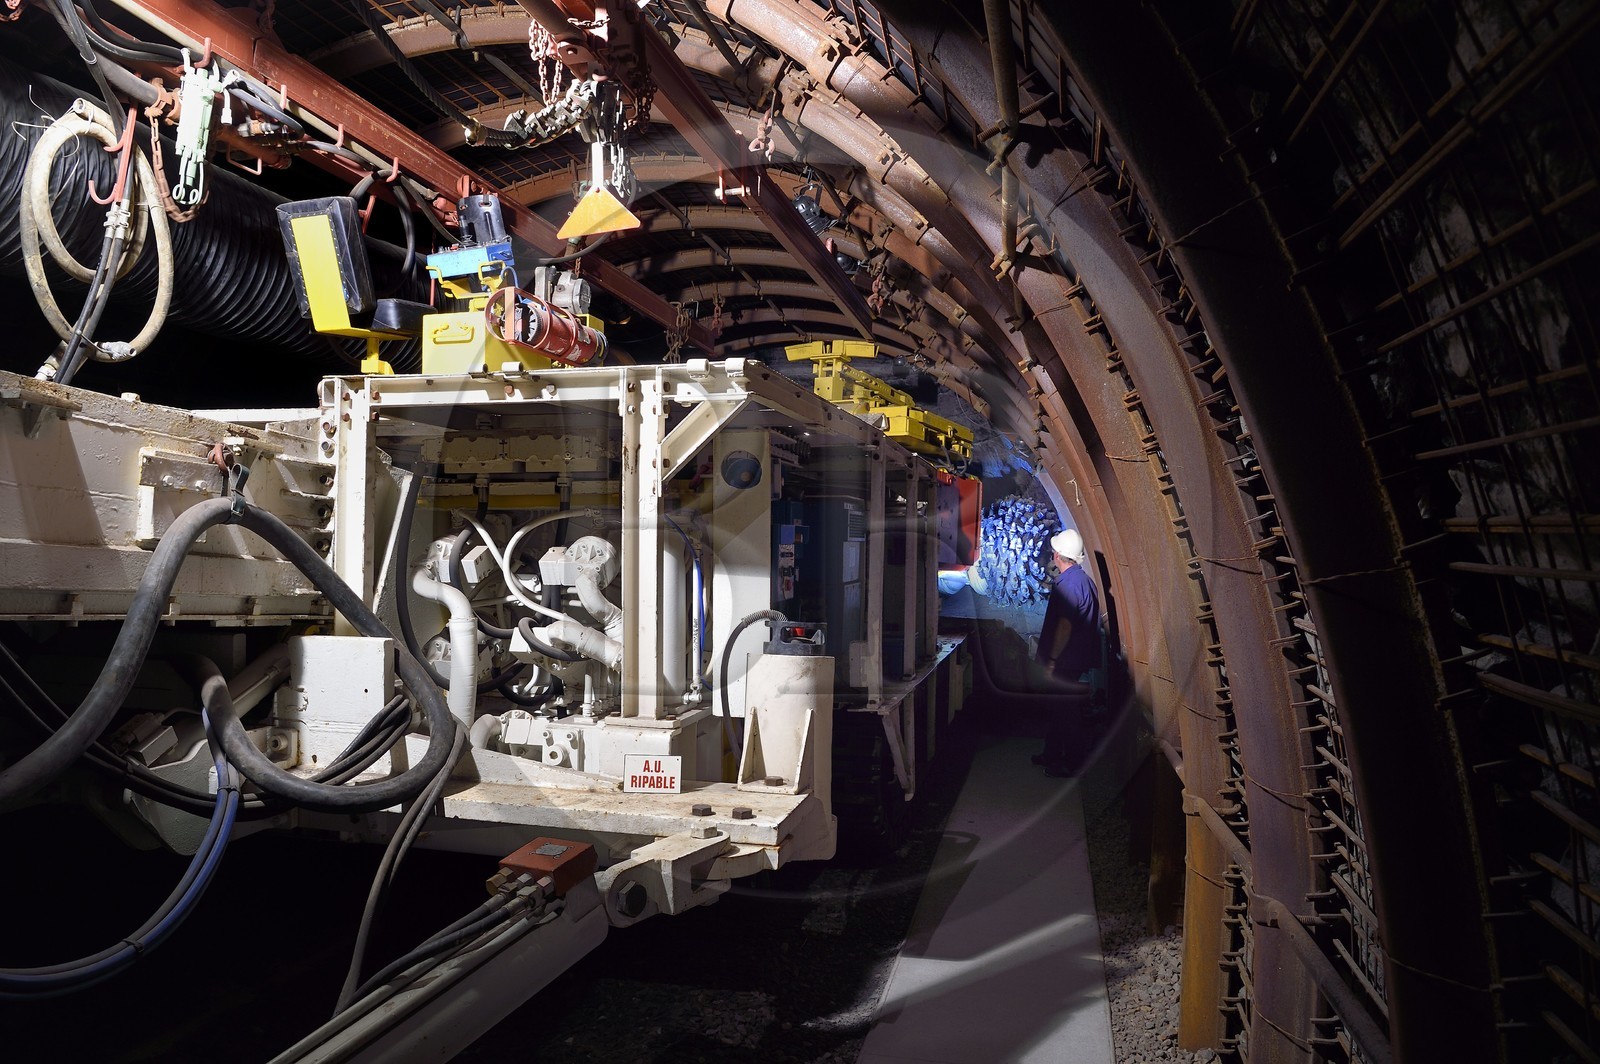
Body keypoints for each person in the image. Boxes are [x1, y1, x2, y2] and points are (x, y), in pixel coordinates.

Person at [1033, 528, 1101, 776]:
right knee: (1059, 707)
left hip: (1066, 660)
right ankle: (1051, 753)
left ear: (1058, 555)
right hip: (1075, 659)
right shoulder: (1083, 581)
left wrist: (1052, 660)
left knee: (1067, 711)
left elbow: (1064, 626)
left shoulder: (1068, 585)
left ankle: (1072, 763)